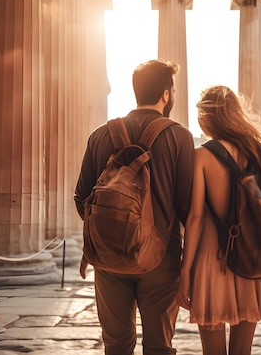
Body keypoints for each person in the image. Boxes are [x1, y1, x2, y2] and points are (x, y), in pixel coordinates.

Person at [74, 59, 195, 355]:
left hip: (108, 259)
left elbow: (81, 198)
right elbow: (189, 210)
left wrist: (106, 236)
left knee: (116, 346)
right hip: (161, 261)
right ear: (166, 94)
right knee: (159, 347)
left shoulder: (100, 135)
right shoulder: (179, 137)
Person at [177, 85, 261, 355]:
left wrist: (184, 271)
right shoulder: (260, 154)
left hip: (210, 260)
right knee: (243, 351)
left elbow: (194, 218)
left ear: (206, 116)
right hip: (250, 259)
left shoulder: (202, 155)